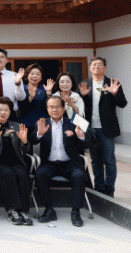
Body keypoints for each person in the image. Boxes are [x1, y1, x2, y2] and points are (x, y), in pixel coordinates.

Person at [32, 96, 92, 227]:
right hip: (50, 163)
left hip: (70, 163)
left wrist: (81, 136)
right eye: (51, 107)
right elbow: (32, 140)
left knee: (79, 175)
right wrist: (39, 134)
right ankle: (49, 210)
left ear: (64, 108)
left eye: (57, 107)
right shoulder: (42, 123)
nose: (54, 110)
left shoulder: (74, 122)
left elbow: (89, 142)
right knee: (40, 174)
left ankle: (75, 212)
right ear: (47, 109)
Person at [79, 57, 127, 197]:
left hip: (107, 129)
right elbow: (79, 107)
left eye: (100, 65)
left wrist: (115, 93)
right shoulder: (84, 84)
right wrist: (82, 96)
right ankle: (99, 187)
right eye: (94, 64)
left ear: (105, 68)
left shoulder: (112, 83)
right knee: (95, 160)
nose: (97, 67)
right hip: (90, 129)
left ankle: (109, 188)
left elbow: (123, 103)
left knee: (109, 160)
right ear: (90, 68)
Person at [0, 97, 33, 225]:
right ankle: (13, 210)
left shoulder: (17, 126)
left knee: (22, 173)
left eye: (6, 110)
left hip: (16, 161)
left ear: (10, 112)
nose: (3, 112)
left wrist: (24, 141)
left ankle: (24, 211)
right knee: (8, 174)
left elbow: (27, 150)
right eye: (0, 109)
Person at [17, 64, 54, 129]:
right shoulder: (22, 89)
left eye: (38, 74)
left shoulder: (44, 89)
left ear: (41, 77)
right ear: (27, 75)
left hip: (42, 125)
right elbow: (20, 108)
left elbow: (49, 107)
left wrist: (48, 93)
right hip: (25, 124)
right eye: (32, 74)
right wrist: (31, 97)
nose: (34, 76)